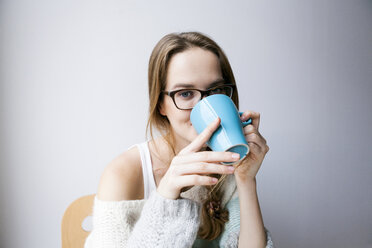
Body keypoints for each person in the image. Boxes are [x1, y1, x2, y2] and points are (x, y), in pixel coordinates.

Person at [84, 31, 274, 248]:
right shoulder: (124, 172)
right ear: (160, 104)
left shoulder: (227, 162)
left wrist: (246, 180)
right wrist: (166, 196)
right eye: (185, 93)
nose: (207, 107)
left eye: (217, 91)